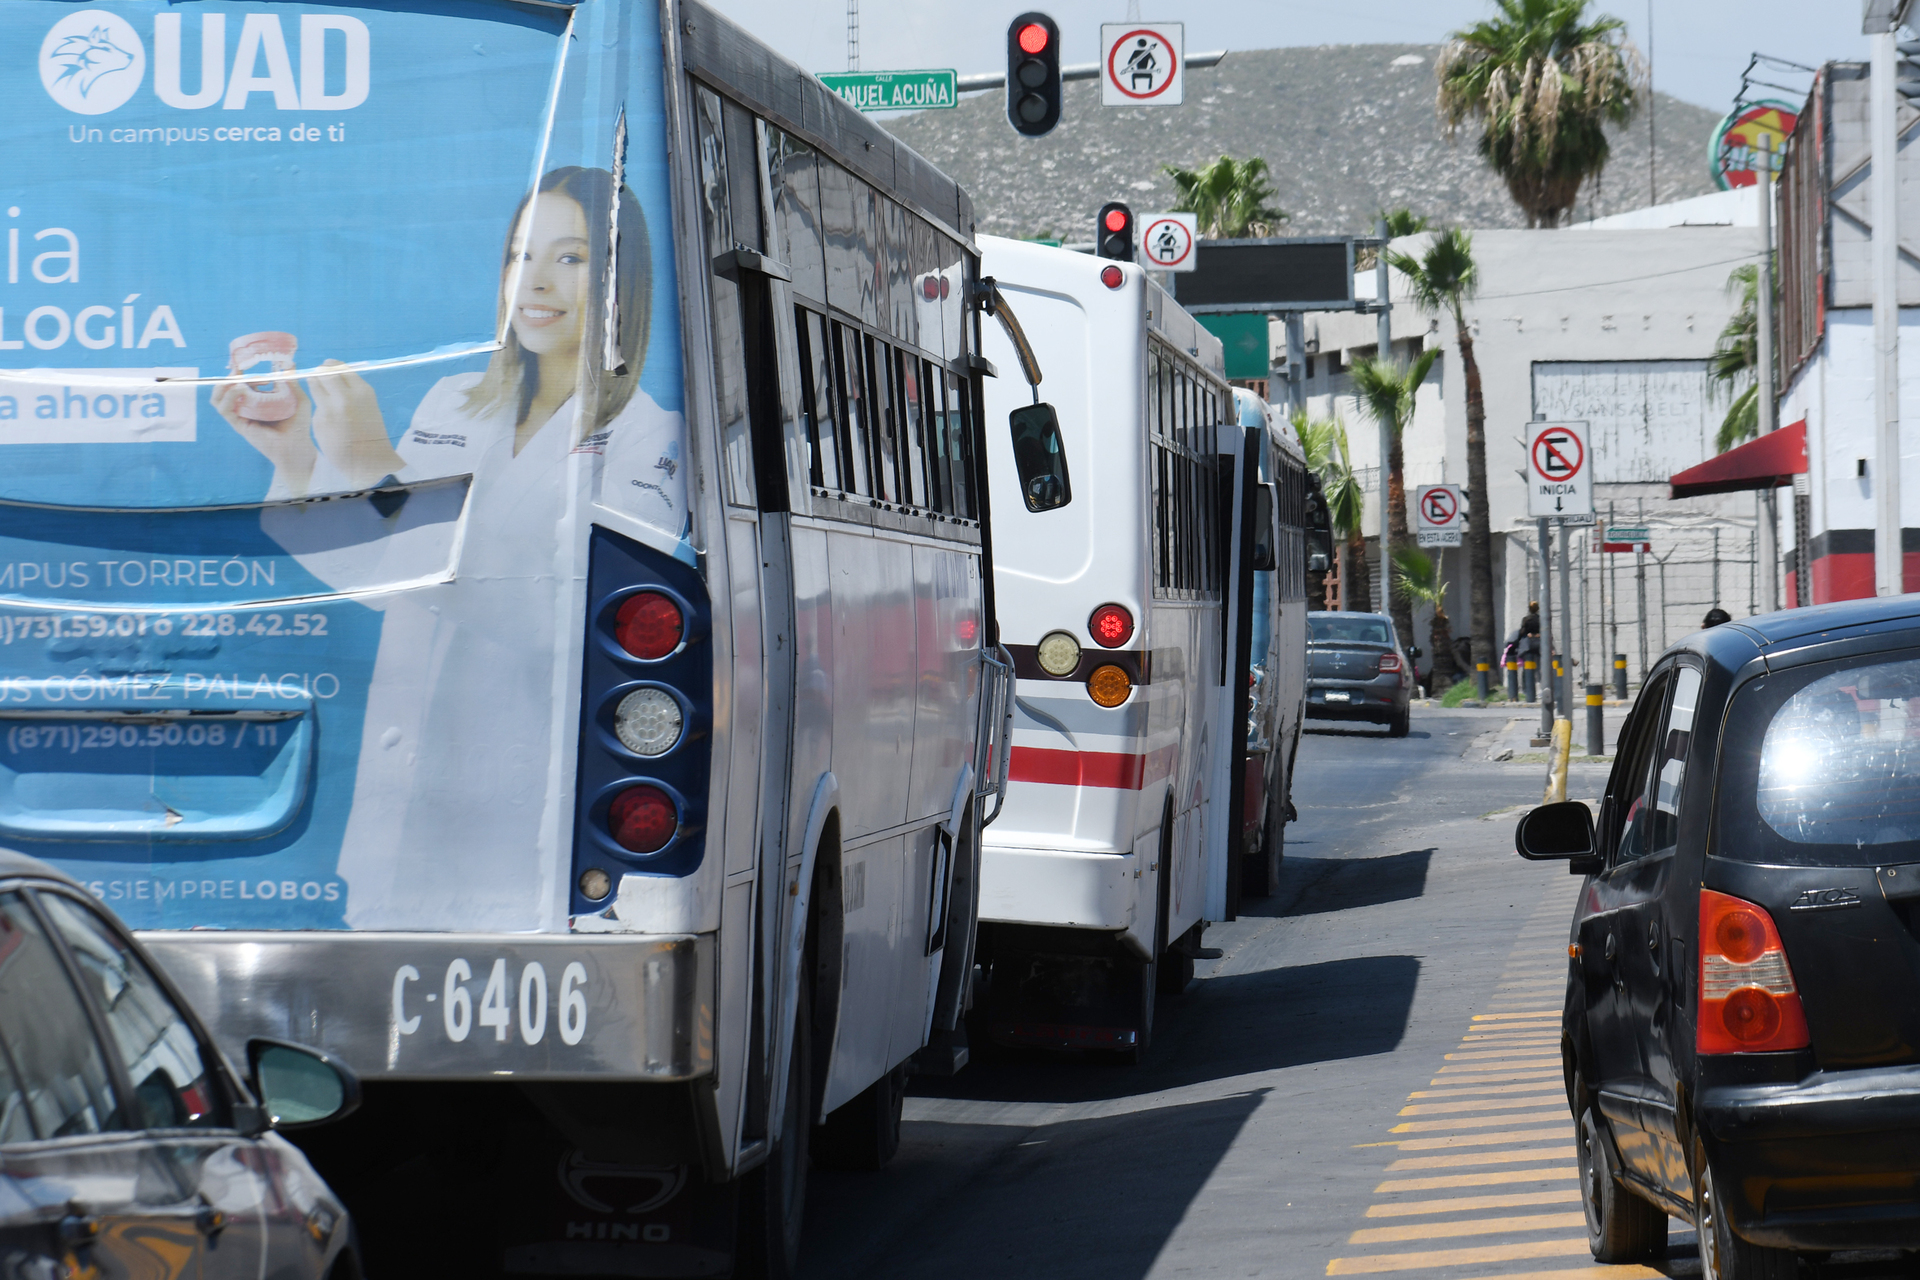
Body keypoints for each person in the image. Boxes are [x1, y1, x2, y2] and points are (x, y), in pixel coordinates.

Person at [213, 166, 686, 929]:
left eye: (570, 258)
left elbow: (558, 619)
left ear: (618, 283)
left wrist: (380, 470)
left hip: (522, 810)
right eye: (519, 255)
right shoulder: (456, 403)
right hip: (404, 806)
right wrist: (299, 459)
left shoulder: (649, 438)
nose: (535, 281)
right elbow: (386, 574)